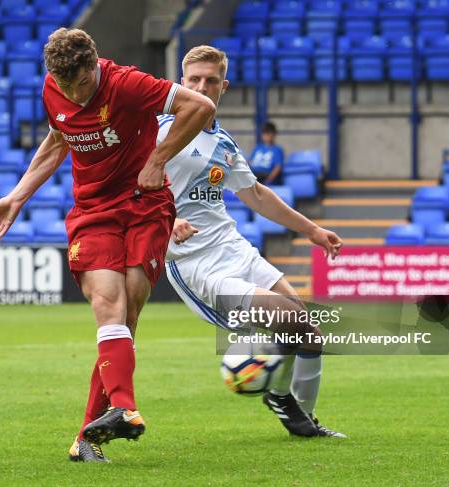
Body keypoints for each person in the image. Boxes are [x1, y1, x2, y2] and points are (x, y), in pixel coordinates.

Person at [0, 28, 216, 462]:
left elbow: (200, 106)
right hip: (93, 212)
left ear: (96, 64)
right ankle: (123, 408)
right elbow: (58, 141)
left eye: (82, 84)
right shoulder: (55, 89)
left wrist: (156, 159)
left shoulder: (126, 83)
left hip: (146, 206)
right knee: (108, 305)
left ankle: (86, 437)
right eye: (65, 86)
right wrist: (18, 195)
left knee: (127, 312)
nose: (73, 94)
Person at [159, 45, 346, 438]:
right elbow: (127, 184)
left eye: (211, 80)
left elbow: (256, 194)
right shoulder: (159, 129)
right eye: (194, 79)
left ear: (224, 87)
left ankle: (298, 415)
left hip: (233, 247)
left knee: (308, 332)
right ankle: (274, 388)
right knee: (289, 320)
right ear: (181, 83)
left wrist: (311, 230)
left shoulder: (223, 143)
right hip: (195, 263)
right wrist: (168, 218)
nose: (202, 86)